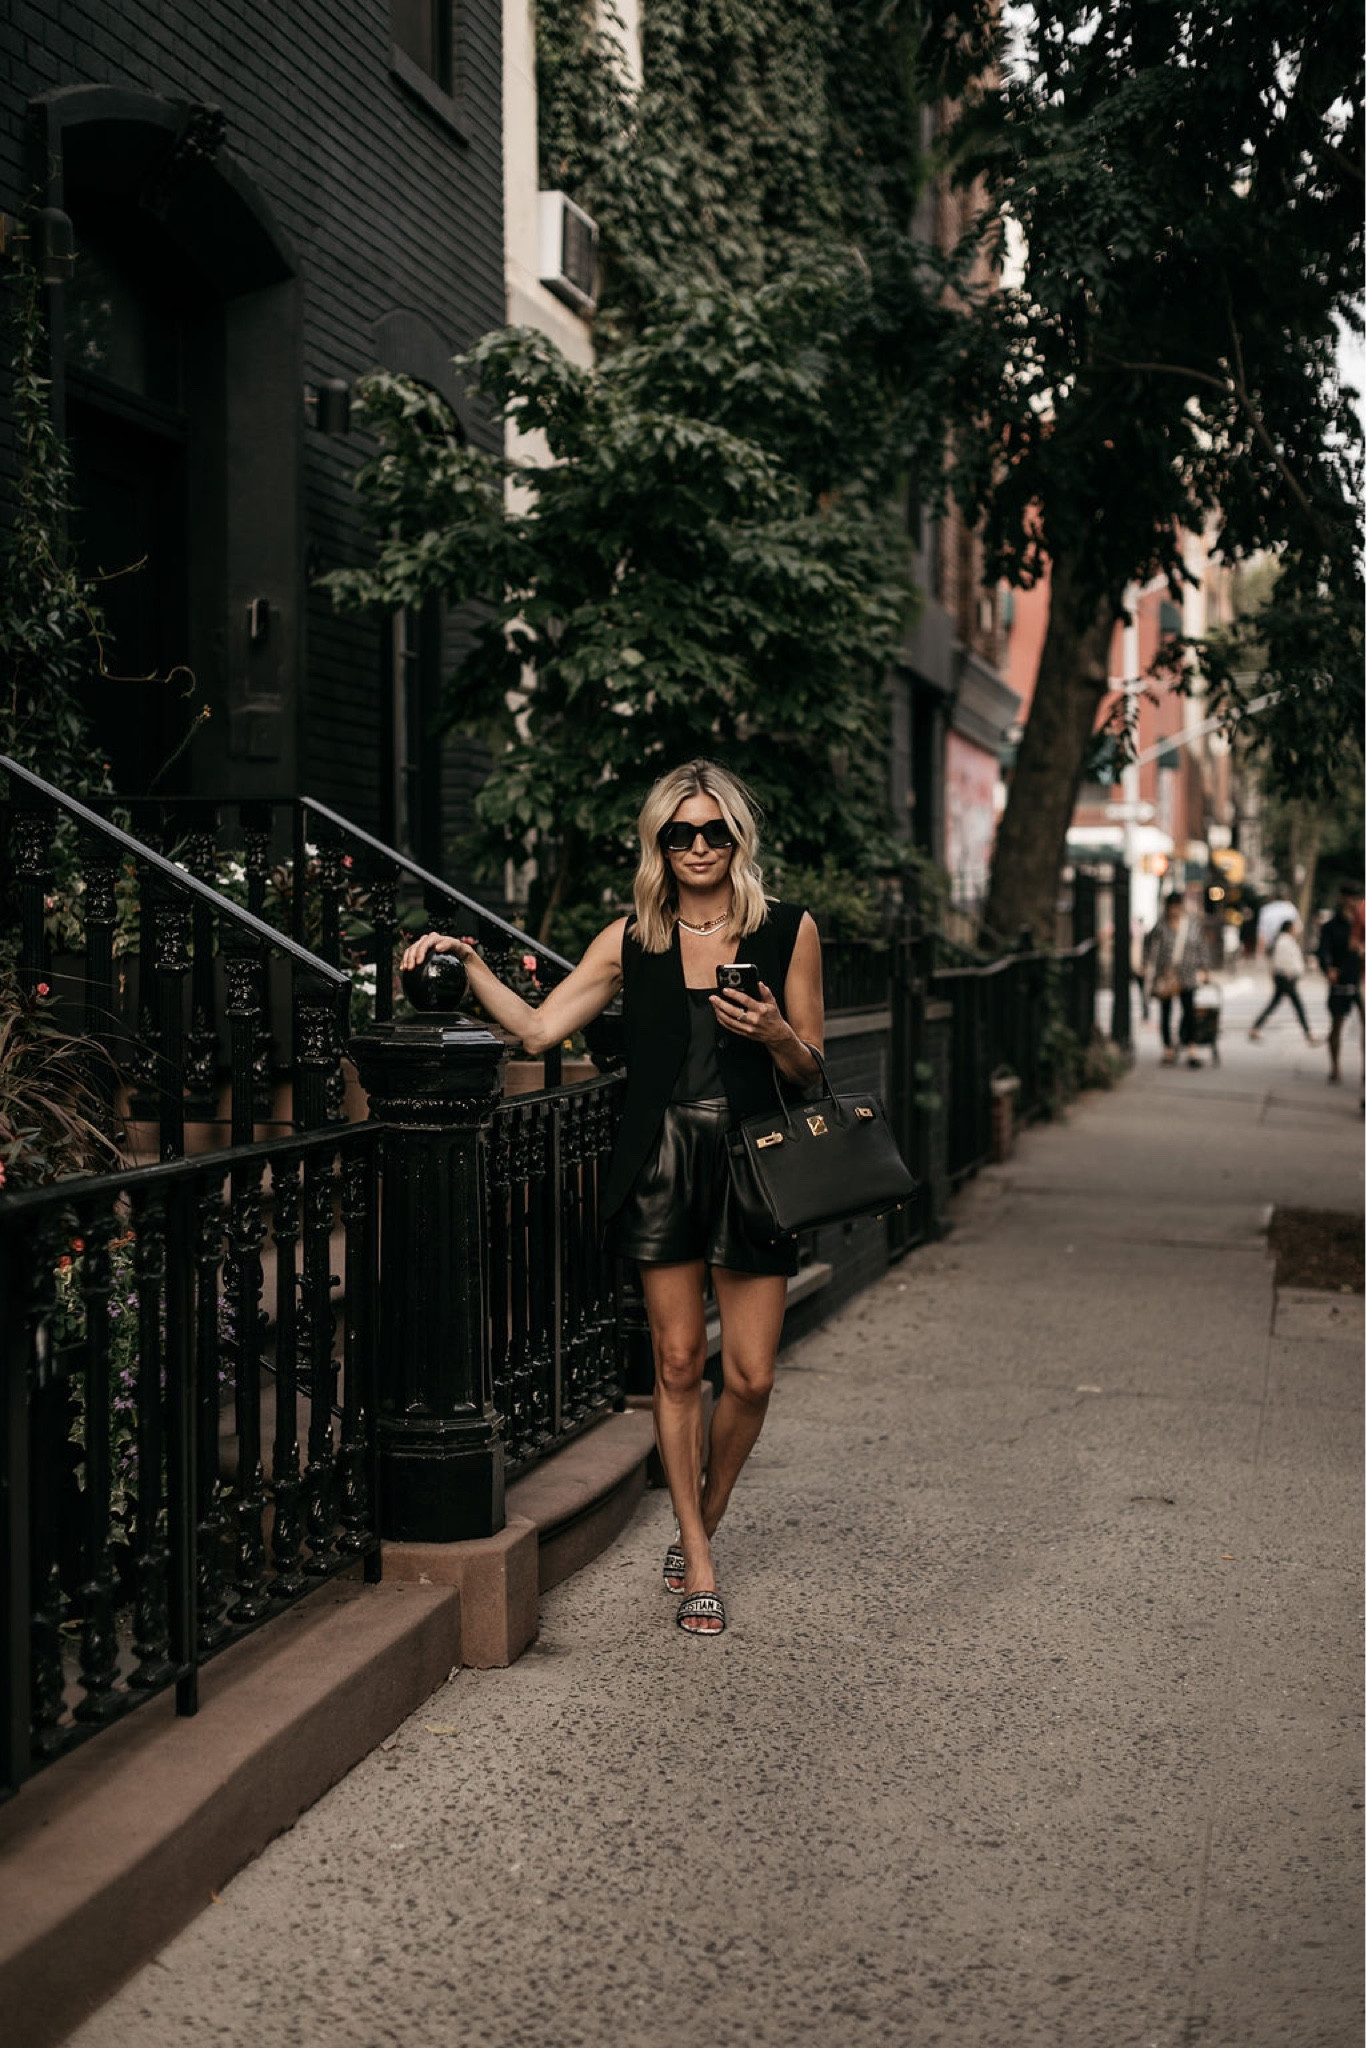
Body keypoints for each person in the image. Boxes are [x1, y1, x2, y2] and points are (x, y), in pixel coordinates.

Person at [401, 760, 824, 1640]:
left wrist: (777, 1032)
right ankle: (697, 1554)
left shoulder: (788, 931)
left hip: (755, 1161)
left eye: (714, 831)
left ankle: (703, 1506)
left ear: (737, 838)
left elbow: (814, 1070)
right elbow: (536, 1029)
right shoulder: (631, 939)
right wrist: (468, 958)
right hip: (664, 1160)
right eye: (681, 834)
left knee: (748, 1375)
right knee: (676, 1366)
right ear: (658, 844)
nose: (699, 847)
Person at [1142, 894, 1213, 1066]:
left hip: (1187, 975)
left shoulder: (1192, 925)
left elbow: (1202, 947)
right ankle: (1168, 1049)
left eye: (1176, 907)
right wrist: (1147, 966)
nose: (1174, 911)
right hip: (1166, 976)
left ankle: (1191, 1049)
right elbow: (1150, 947)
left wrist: (1204, 969)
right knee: (1165, 1013)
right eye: (1171, 907)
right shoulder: (1160, 926)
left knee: (1188, 1012)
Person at [1317, 881, 1364, 1084]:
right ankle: (1335, 1066)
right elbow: (1322, 951)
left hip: (1360, 980)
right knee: (1337, 1024)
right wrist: (1329, 970)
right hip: (1341, 979)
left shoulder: (1362, 922)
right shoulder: (1331, 926)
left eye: (1357, 899)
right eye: (1350, 898)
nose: (1354, 903)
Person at [1249, 914, 1319, 1045]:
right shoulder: (1284, 941)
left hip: (1286, 978)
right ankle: (1308, 1033)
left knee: (1275, 1004)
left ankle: (1256, 1027)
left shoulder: (1286, 941)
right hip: (1286, 978)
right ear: (1289, 928)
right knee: (1298, 1006)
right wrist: (1291, 974)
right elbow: (1283, 962)